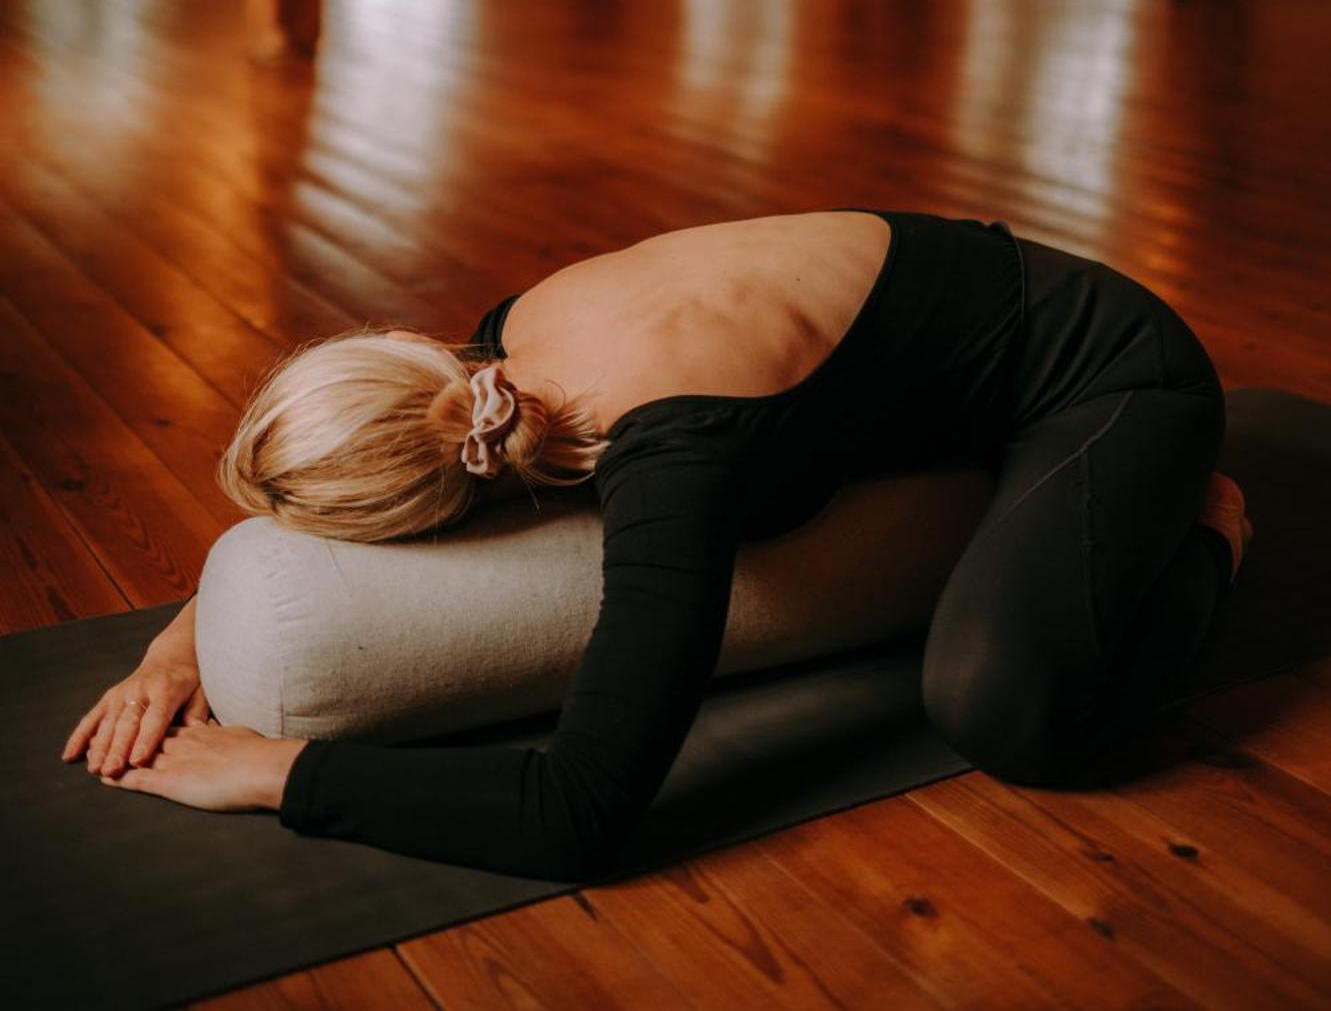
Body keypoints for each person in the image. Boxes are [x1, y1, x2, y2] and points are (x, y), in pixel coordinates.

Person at [63, 208, 1252, 881]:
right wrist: (184, 642)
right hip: (931, 353)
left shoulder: (672, 462)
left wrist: (283, 773)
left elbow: (576, 812)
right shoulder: (487, 356)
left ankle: (1212, 527)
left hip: (1108, 372)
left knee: (1006, 706)